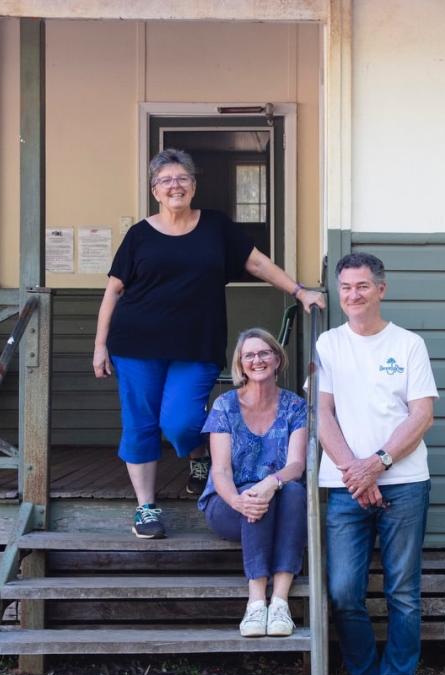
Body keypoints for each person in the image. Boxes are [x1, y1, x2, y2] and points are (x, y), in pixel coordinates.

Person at [93, 148, 323, 539]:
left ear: (194, 185)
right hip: (135, 343)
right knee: (140, 423)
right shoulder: (139, 235)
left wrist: (299, 291)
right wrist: (100, 345)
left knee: (181, 421)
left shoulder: (216, 226)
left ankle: (196, 452)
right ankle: (146, 507)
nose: (174, 186)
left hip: (196, 343)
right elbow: (114, 290)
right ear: (155, 190)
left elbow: (257, 264)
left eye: (182, 178)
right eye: (165, 180)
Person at [317, 251, 438, 675]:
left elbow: (421, 414)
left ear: (381, 289)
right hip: (346, 485)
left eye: (362, 286)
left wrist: (378, 464)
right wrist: (354, 472)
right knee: (344, 590)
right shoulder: (328, 344)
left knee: (402, 593)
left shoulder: (408, 345)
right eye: (345, 287)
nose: (353, 295)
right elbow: (322, 416)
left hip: (404, 483)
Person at [198, 328, 308, 637]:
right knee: (255, 496)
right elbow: (220, 471)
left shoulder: (295, 406)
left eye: (263, 353)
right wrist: (238, 500)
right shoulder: (225, 406)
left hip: (278, 496)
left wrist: (271, 482)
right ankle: (257, 600)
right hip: (228, 505)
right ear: (240, 363)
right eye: (249, 355)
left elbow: (296, 465)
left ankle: (280, 602)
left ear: (277, 359)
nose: (257, 360)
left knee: (293, 491)